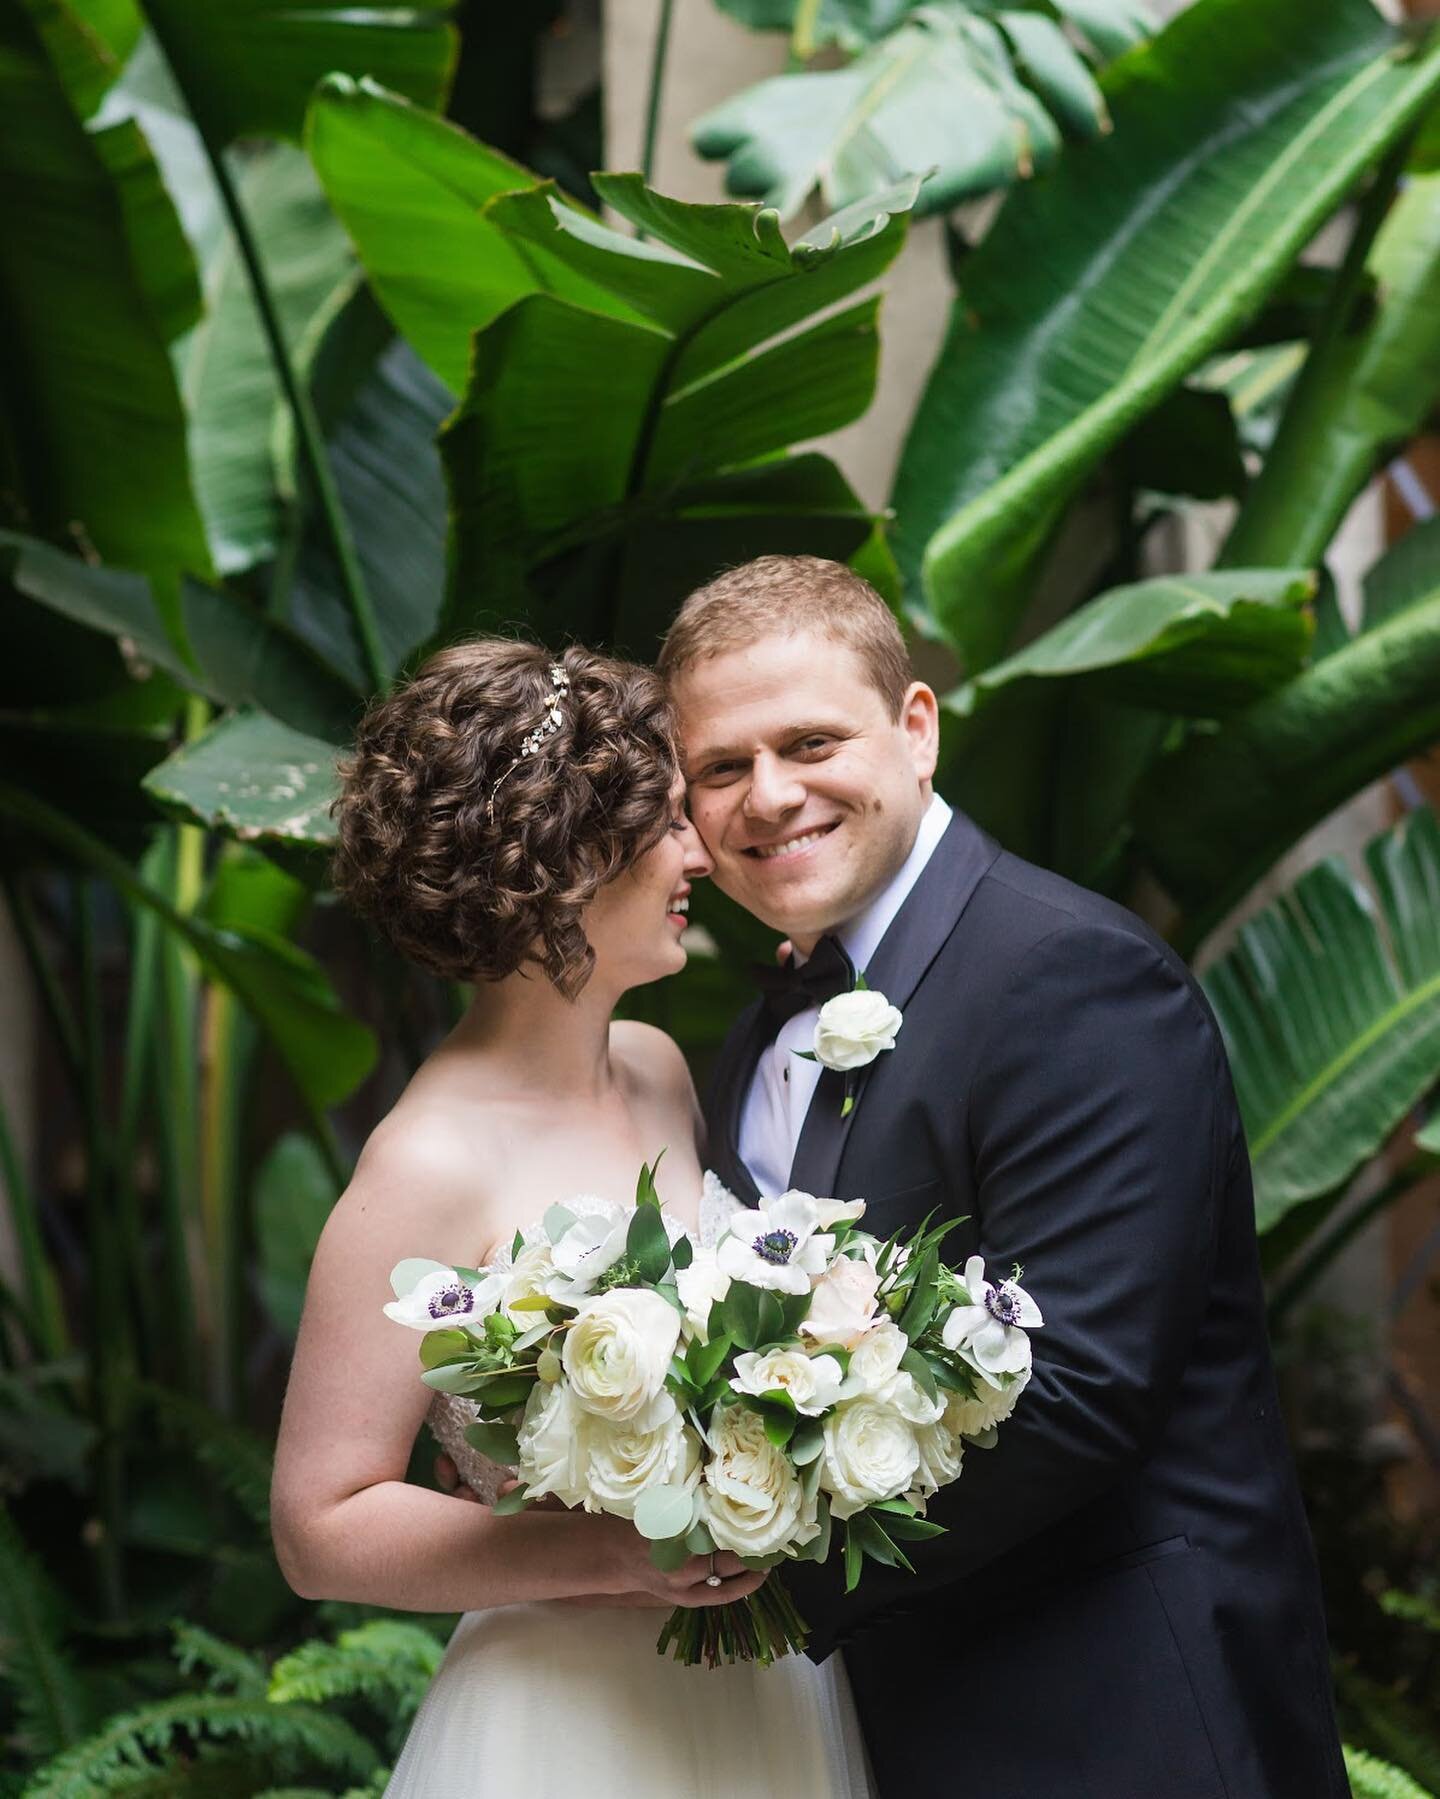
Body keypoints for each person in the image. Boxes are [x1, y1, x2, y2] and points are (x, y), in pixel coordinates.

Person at [657, 554, 1350, 1798]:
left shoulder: (1071, 975)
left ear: (916, 729)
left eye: (810, 741)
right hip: (890, 1718)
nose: (769, 795)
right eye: (721, 766)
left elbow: (1080, 1388)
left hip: (1111, 1717)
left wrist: (755, 1570)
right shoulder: (758, 1034)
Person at [270, 640, 874, 1798]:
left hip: (759, 1683)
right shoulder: (427, 1161)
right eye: (663, 822)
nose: (701, 848)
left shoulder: (654, 1067)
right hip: (564, 1714)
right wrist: (604, 1551)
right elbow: (318, 1522)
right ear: (560, 860)